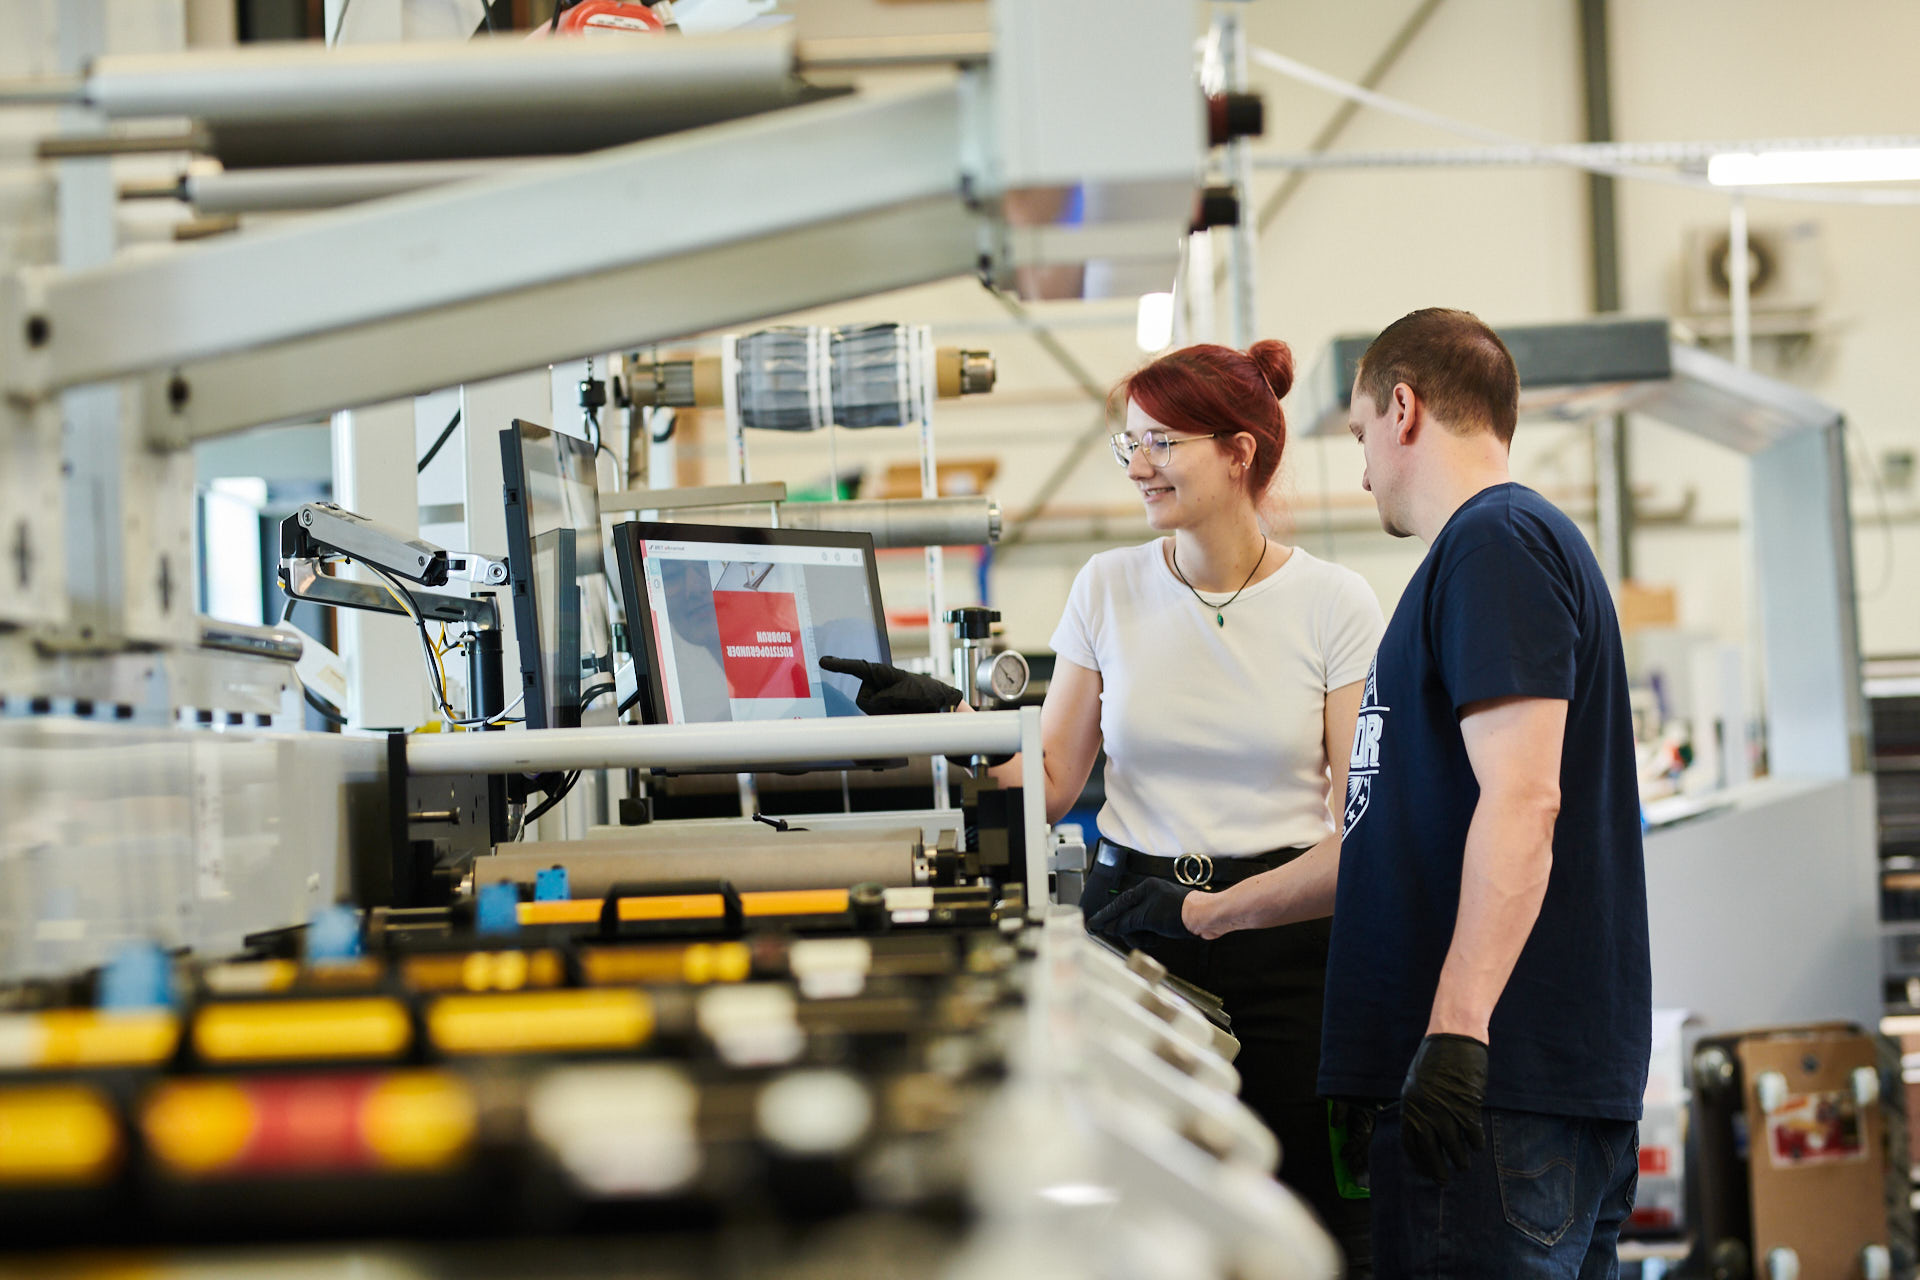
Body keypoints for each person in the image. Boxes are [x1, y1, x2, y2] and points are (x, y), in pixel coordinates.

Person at [1104, 308, 1650, 1277]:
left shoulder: (1497, 545)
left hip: (1490, 1095)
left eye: (1359, 436)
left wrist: (1455, 1029)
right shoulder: (1480, 557)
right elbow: (1387, 838)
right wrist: (1206, 911)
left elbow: (1524, 802)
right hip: (1500, 1096)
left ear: (1405, 408)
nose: (1359, 472)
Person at [827, 340, 1384, 1271]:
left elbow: (1357, 830)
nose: (1137, 466)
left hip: (1290, 946)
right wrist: (952, 721)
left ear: (1239, 452)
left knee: (1302, 1225)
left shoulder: (1335, 603)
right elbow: (1047, 781)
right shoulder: (1107, 586)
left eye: (1161, 442)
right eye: (1128, 444)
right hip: (1139, 933)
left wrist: (1225, 911)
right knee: (1147, 1217)